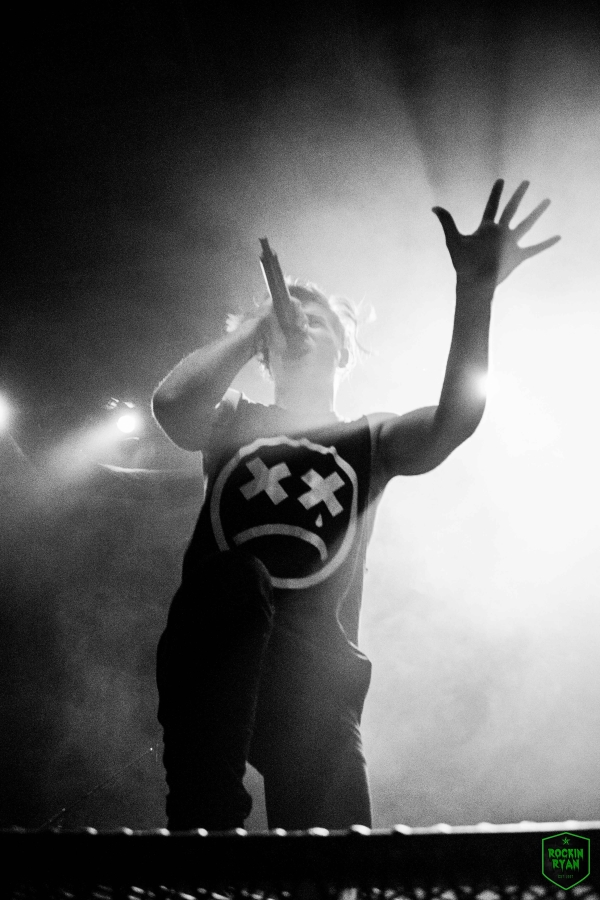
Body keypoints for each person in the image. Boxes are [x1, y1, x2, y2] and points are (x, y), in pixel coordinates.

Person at [152, 179, 559, 831]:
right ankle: (208, 833)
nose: (300, 324)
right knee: (234, 579)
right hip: (216, 653)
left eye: (317, 320)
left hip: (316, 679)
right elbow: (173, 405)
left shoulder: (370, 437)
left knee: (341, 866)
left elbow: (455, 420)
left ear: (343, 347)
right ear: (263, 349)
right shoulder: (235, 419)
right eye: (289, 319)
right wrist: (256, 324)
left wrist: (475, 294)